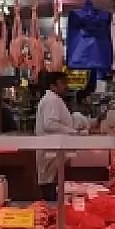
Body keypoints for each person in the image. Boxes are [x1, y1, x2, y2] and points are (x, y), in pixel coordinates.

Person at [34, 72, 78, 201]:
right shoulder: (51, 100)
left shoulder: (54, 99)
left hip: (53, 149)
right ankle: (51, 210)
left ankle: (52, 210)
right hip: (50, 150)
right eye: (63, 83)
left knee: (51, 181)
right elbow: (50, 124)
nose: (66, 86)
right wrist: (71, 131)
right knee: (48, 183)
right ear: (53, 86)